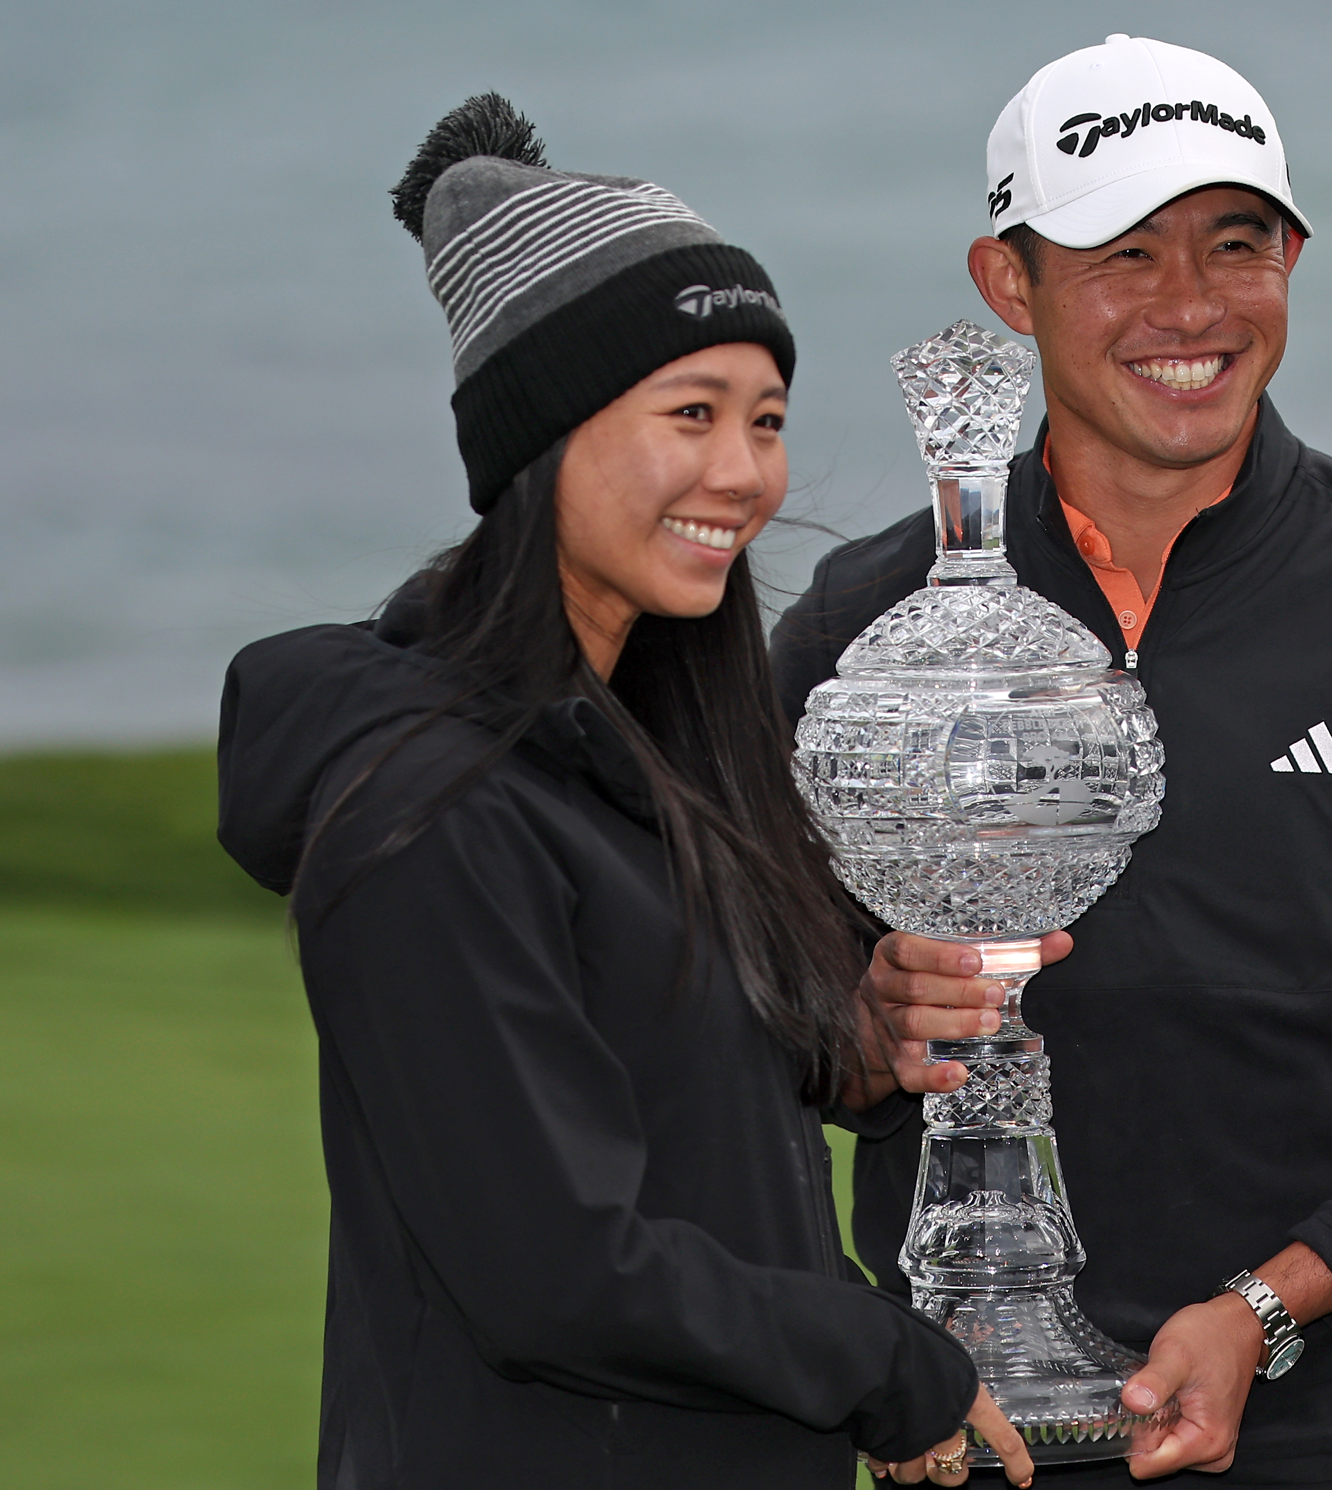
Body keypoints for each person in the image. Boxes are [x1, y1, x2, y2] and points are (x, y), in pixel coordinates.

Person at [774, 38, 1332, 1488]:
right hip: (965, 1441)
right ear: (1011, 285)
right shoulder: (872, 624)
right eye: (1124, 253)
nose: (1190, 306)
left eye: (1235, 246)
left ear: (1293, 262)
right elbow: (734, 1002)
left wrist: (1274, 1303)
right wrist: (860, 1034)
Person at [216, 95, 1034, 1490]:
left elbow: (688, 1133)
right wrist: (887, 1366)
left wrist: (854, 1046)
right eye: (691, 414)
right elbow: (554, 1267)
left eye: (766, 418)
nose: (745, 472)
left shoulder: (655, 757)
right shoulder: (434, 804)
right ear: (546, 437)